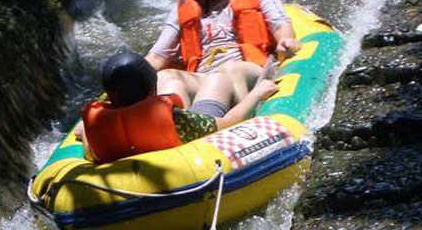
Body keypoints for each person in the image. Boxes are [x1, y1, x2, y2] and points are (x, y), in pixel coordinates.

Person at [145, 0, 301, 115]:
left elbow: (280, 24)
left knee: (225, 72)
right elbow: (158, 57)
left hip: (247, 70)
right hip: (203, 75)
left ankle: (204, 126)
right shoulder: (183, 4)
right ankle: (177, 129)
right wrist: (129, 76)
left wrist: (286, 39)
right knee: (166, 76)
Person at [80, 51, 278, 164]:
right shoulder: (177, 121)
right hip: (187, 152)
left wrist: (83, 133)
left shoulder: (96, 128)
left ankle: (193, 83)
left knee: (176, 85)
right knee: (218, 80)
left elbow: (87, 143)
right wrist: (257, 94)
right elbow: (229, 123)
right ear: (152, 90)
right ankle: (223, 81)